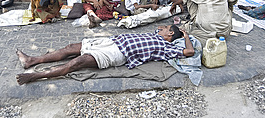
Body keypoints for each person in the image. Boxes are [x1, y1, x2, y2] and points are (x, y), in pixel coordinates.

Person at [16, 24, 195, 85]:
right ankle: (32, 60)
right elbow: (158, 27)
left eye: (164, 28)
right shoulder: (156, 34)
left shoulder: (166, 46)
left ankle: (35, 76)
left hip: (118, 53)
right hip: (111, 41)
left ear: (170, 34)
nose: (160, 28)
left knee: (78, 62)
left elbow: (189, 51)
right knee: (71, 47)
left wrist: (185, 36)